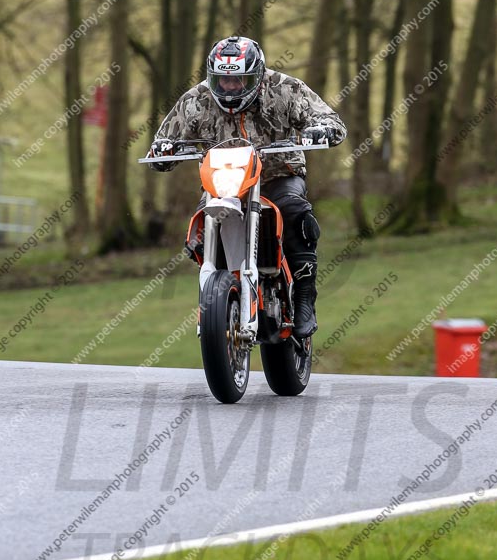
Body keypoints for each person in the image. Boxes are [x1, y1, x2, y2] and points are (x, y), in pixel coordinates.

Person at [147, 35, 347, 338]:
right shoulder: (195, 100)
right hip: (223, 183)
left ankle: (305, 295)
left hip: (278, 175)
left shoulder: (285, 89)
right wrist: (162, 151)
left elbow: (329, 119)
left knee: (295, 212)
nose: (230, 87)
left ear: (257, 75)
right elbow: (164, 141)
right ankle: (219, 290)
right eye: (223, 81)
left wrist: (321, 130)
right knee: (199, 232)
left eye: (239, 80)